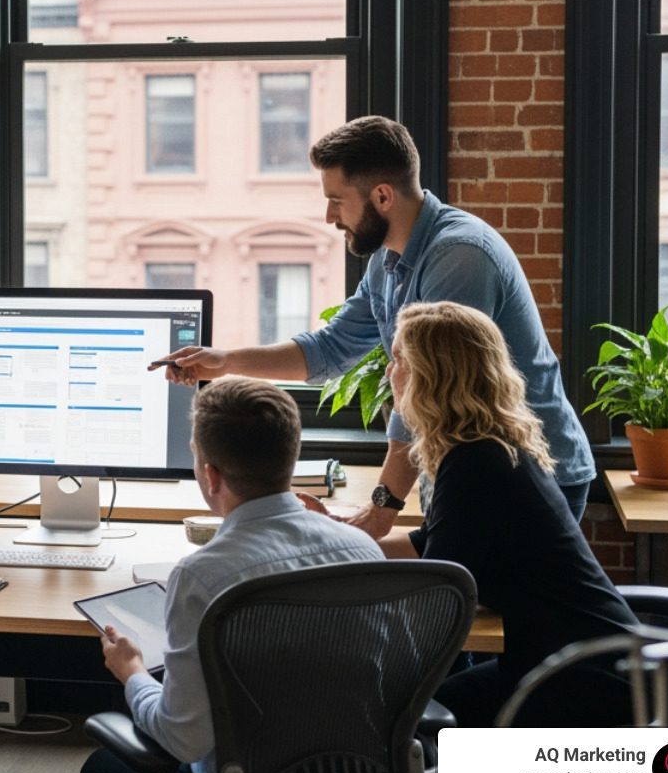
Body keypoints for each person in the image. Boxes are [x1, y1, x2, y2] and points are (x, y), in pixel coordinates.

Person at [156, 115, 594, 536]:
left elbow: (428, 393)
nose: (329, 217)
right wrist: (225, 362)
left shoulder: (459, 258)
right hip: (467, 472)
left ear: (383, 196)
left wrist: (381, 510)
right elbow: (330, 349)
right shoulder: (388, 259)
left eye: (336, 200)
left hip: (528, 474)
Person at [79, 377, 382, 773]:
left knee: (101, 770)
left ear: (210, 475)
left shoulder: (201, 576)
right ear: (292, 455)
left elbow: (184, 741)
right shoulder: (363, 549)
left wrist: (133, 673)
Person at [375, 302, 636, 727]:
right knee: (414, 714)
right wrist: (338, 543)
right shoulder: (486, 448)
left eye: (401, 359)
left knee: (400, 722)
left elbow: (438, 590)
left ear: (432, 375)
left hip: (580, 685)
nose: (390, 371)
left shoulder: (475, 462)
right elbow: (430, 544)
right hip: (572, 661)